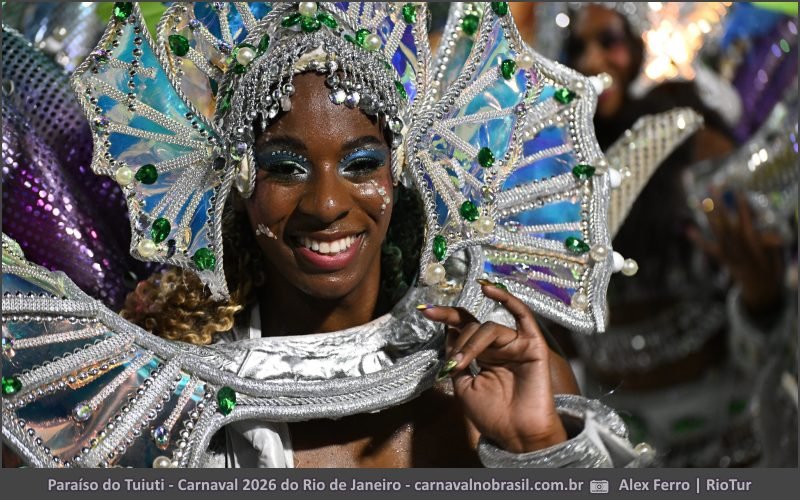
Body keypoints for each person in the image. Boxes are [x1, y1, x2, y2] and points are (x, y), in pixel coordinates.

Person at [2, 2, 652, 468]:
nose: (327, 204)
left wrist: (538, 450)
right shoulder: (164, 411)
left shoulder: (498, 374)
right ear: (237, 183)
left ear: (400, 172)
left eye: (362, 164)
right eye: (283, 168)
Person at [559, 3, 791, 467]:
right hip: (627, 444)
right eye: (577, 48)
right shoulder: (559, 163)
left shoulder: (688, 129)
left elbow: (749, 255)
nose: (592, 62)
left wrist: (761, 298)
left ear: (638, 45)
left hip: (732, 432)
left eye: (609, 41)